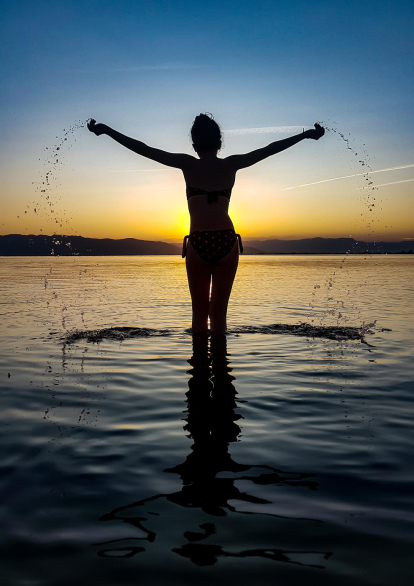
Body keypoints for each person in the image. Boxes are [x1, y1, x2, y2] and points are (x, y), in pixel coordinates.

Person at [87, 114, 324, 335]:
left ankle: (199, 371)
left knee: (199, 316)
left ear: (194, 144)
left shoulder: (187, 164)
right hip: (226, 241)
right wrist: (304, 135)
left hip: (198, 242)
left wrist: (107, 130)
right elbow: (269, 150)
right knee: (219, 316)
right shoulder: (231, 164)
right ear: (219, 142)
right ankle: (222, 371)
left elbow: (144, 150)